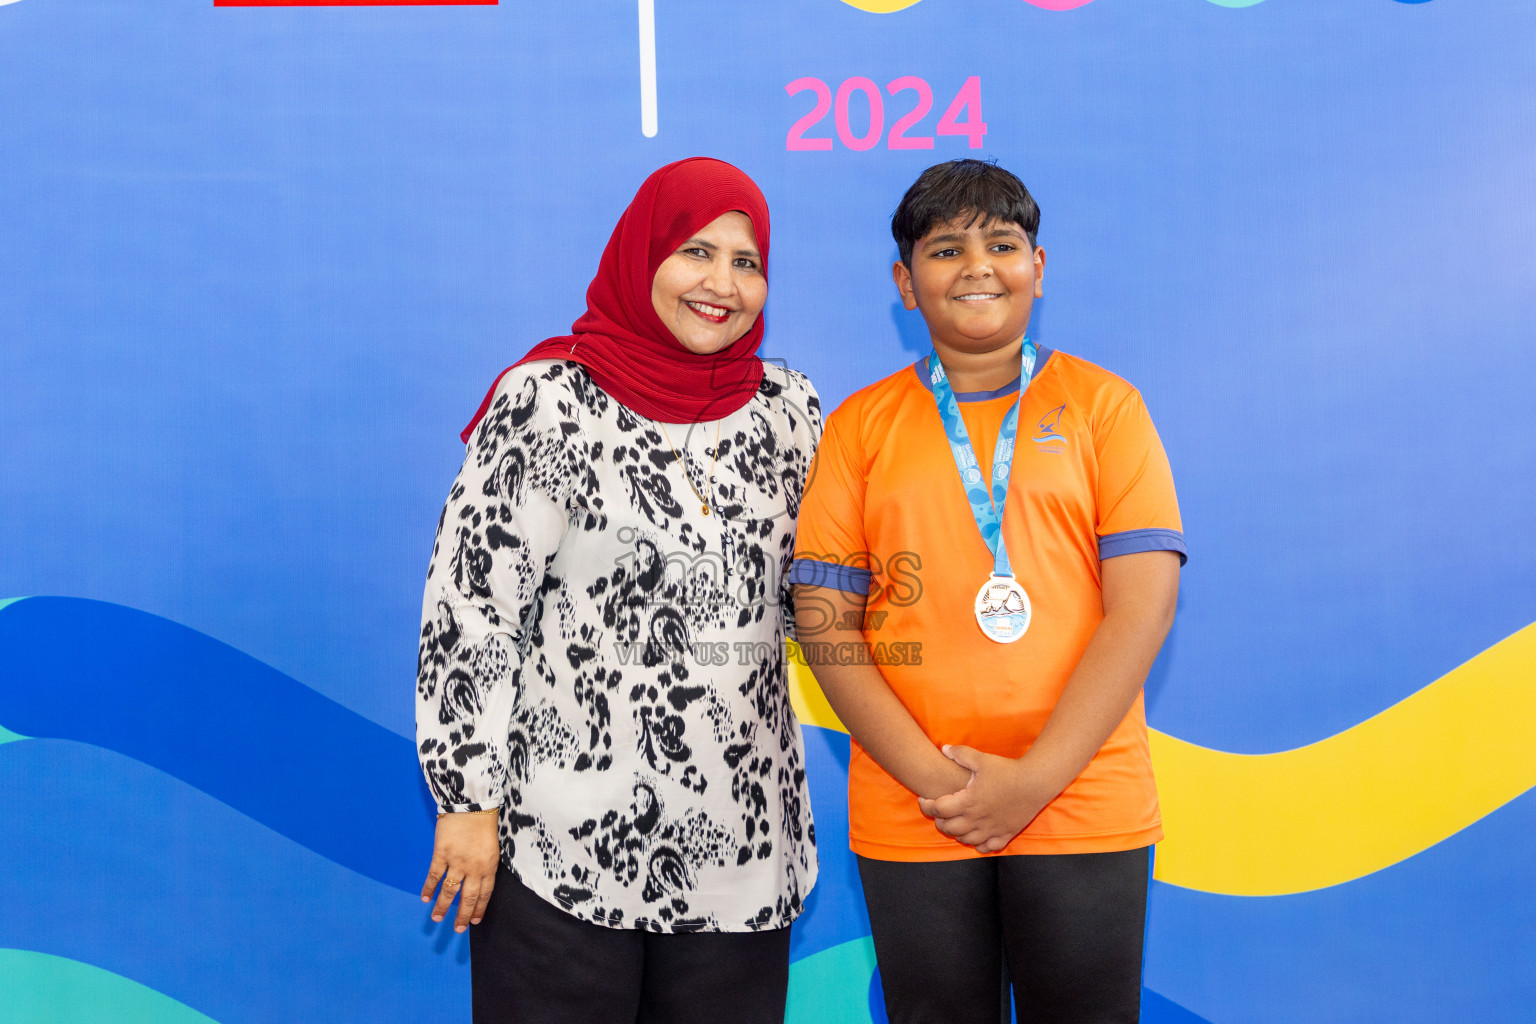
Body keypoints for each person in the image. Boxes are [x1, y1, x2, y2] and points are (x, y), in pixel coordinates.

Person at [415, 157, 820, 1024]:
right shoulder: (550, 403)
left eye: (747, 263)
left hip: (741, 855)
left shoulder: (792, 415)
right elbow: (474, 614)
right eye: (696, 252)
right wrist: (468, 801)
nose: (722, 283)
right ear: (644, 258)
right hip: (561, 848)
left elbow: (821, 600)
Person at [790, 159, 1185, 1024]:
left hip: (1082, 794)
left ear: (1038, 270)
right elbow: (824, 625)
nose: (976, 267)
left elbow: (1143, 605)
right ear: (905, 283)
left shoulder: (1105, 409)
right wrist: (938, 781)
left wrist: (1034, 779)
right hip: (915, 803)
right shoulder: (859, 427)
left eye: (1002, 244)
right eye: (945, 249)